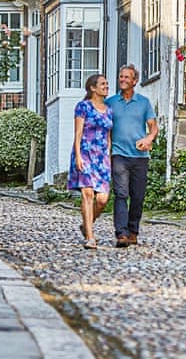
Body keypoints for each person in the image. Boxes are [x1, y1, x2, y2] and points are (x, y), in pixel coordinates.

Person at [106, 64, 158, 248]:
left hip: (140, 157)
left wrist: (148, 138)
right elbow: (106, 130)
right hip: (119, 155)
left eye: (127, 77)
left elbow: (153, 127)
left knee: (138, 196)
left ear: (135, 81)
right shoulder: (111, 102)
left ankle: (133, 231)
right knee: (121, 193)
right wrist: (106, 153)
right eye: (121, 76)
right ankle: (121, 233)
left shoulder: (143, 103)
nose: (123, 80)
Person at [67, 74, 113, 250]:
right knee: (88, 194)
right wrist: (78, 156)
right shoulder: (83, 107)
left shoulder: (109, 110)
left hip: (101, 158)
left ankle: (86, 225)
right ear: (93, 88)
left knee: (102, 200)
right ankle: (90, 237)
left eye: (106, 84)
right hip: (85, 153)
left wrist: (108, 156)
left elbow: (108, 136)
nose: (106, 86)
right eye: (103, 84)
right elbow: (78, 133)